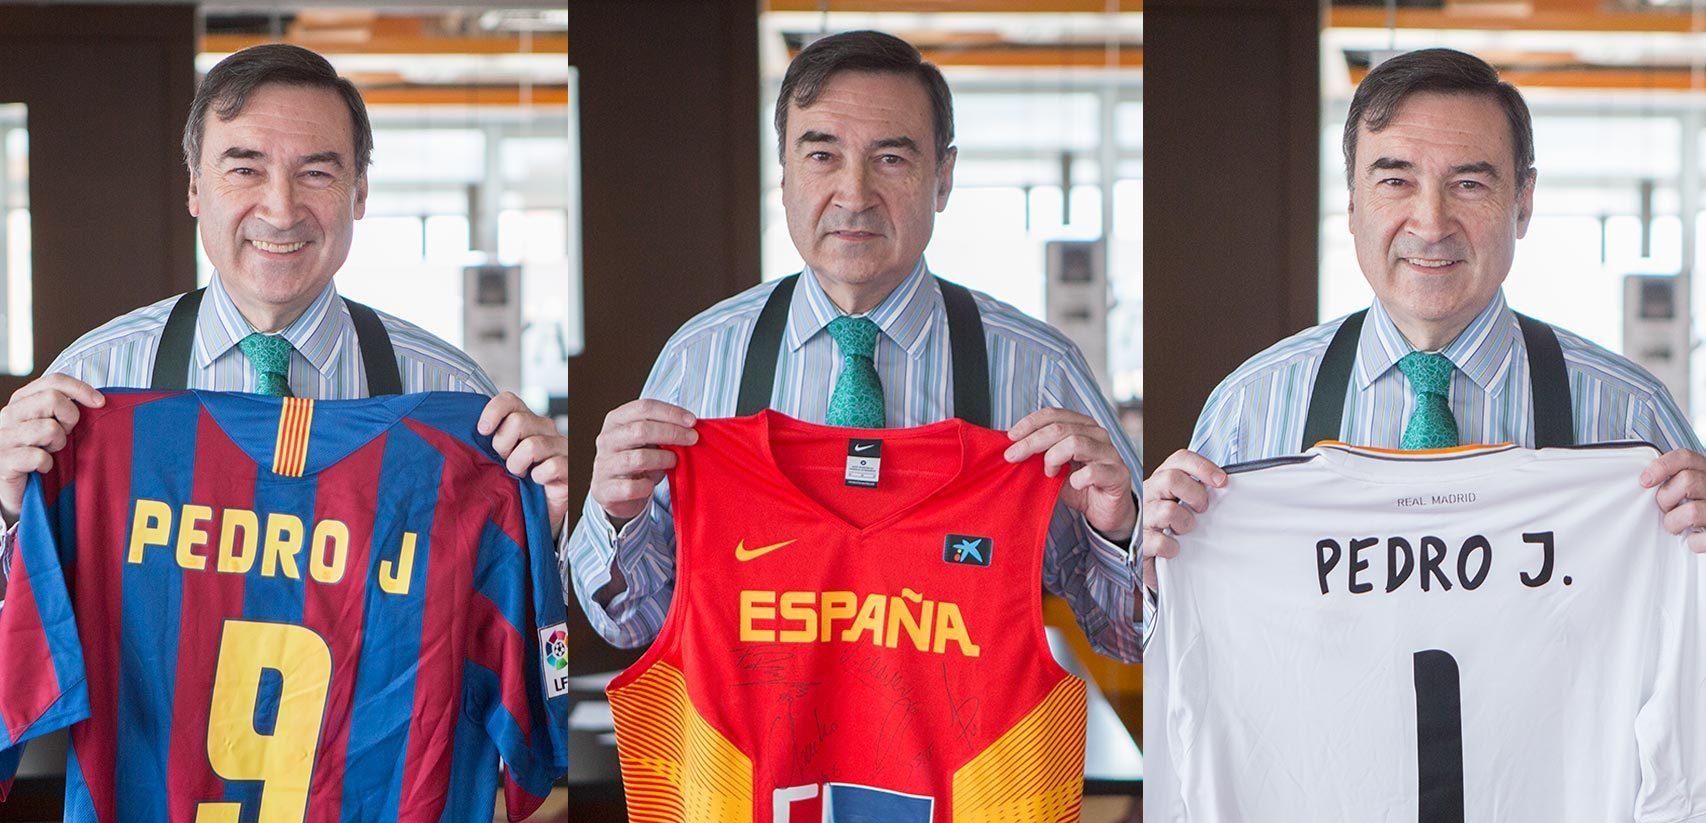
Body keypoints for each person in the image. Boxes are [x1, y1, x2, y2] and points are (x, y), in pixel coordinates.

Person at [569, 30, 1142, 659]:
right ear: (784, 174)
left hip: (961, 759)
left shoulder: (1038, 372)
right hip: (754, 758)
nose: (854, 194)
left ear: (943, 177)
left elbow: (1130, 637)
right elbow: (632, 625)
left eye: (891, 159)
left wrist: (1115, 530)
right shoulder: (700, 362)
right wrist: (617, 518)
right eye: (822, 156)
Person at [1142, 48, 1706, 610]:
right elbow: (1170, 640)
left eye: (1468, 184)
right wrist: (1149, 574)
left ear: (1523, 203)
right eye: (1395, 181)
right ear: (1352, 202)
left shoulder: (1634, 420)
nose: (1431, 225)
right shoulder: (1248, 414)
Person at [0, 43, 570, 596]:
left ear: (360, 194)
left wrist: (538, 532)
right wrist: (7, 507)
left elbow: (500, 638)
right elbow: (35, 642)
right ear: (196, 188)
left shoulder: (459, 399)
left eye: (317, 174)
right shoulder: (90, 384)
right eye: (245, 169)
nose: (281, 210)